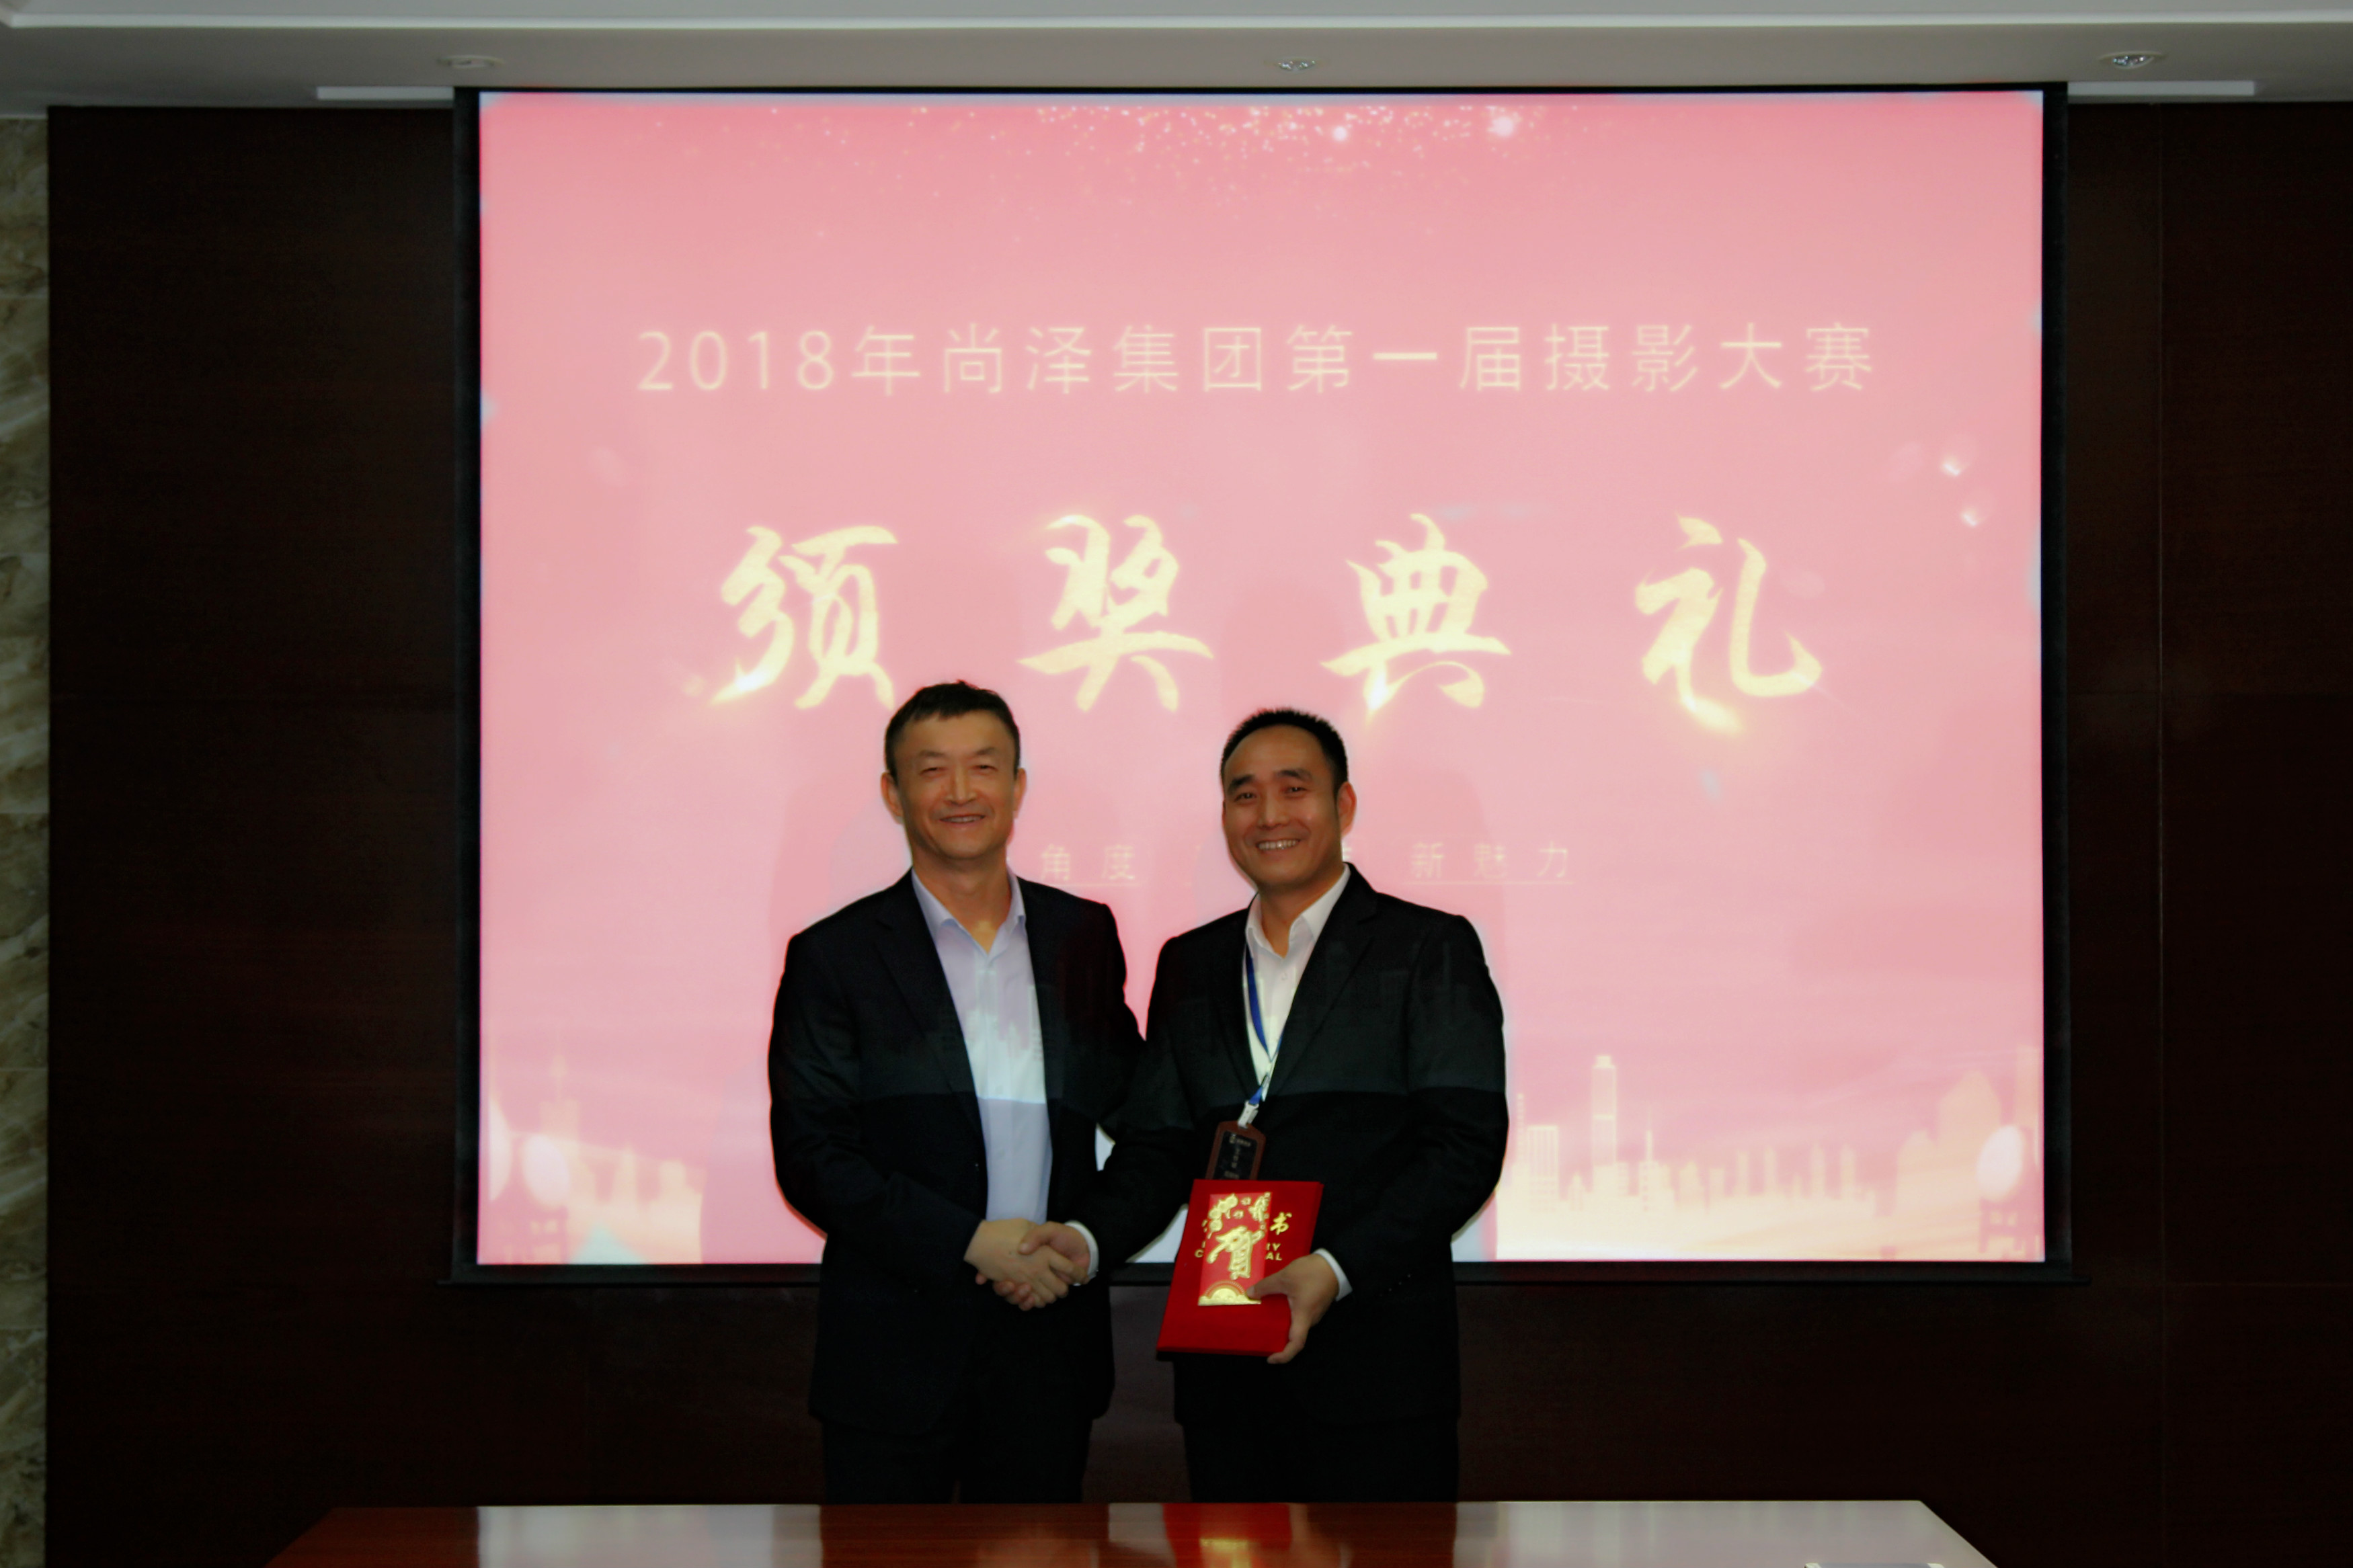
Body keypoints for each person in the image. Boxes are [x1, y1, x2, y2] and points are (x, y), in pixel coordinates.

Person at [1034, 708, 1508, 1503]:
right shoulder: (1190, 962)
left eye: (1294, 789)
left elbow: (1463, 1147)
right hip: (1226, 1366)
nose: (1268, 815)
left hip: (1376, 1369)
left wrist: (1331, 1269)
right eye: (1244, 794)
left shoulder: (1425, 947)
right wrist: (1083, 1237)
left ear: (1343, 803)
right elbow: (1158, 1144)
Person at [769, 680, 1145, 1503]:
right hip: (891, 1355)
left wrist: (1084, 1239)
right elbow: (812, 1155)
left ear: (1017, 785)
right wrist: (967, 1240)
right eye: (932, 769)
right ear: (892, 792)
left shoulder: (1080, 936)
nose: (961, 790)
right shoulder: (834, 955)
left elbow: (1147, 1122)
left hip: (1047, 1346)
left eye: (984, 766)